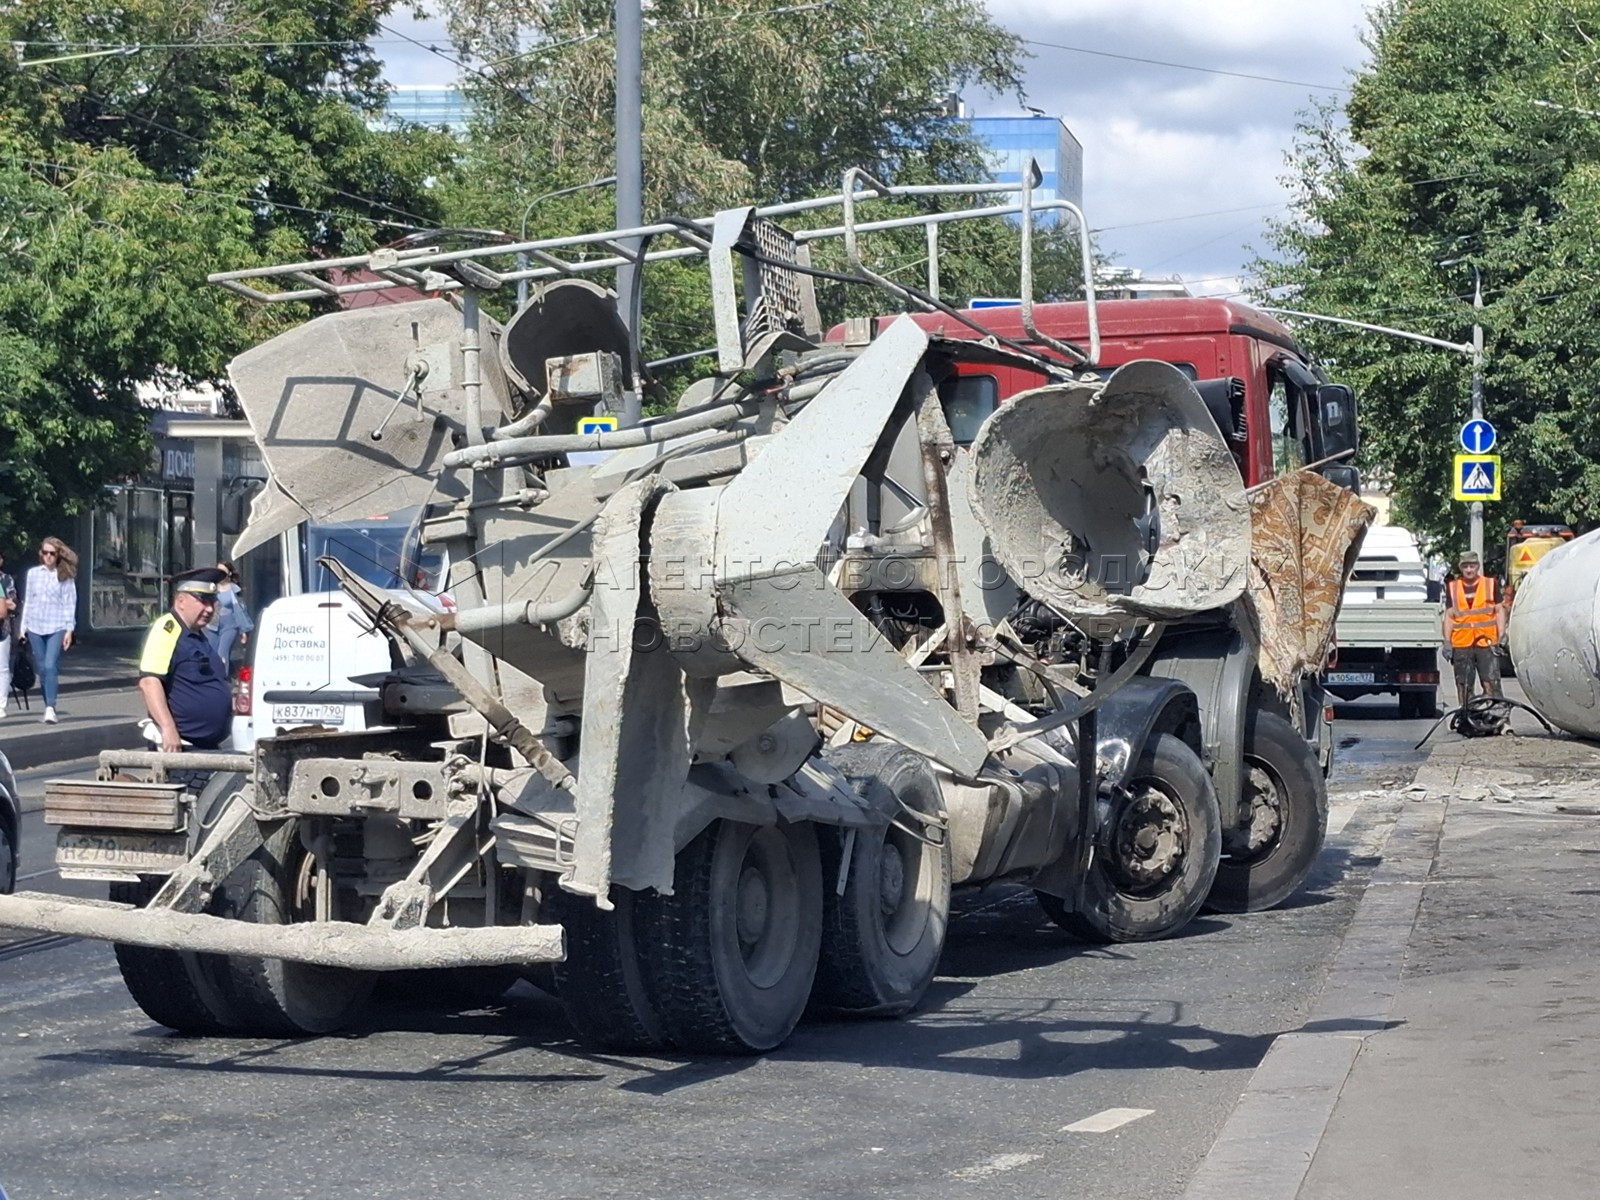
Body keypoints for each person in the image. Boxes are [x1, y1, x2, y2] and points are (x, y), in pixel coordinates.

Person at [137, 567, 234, 753]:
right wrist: (167, 727)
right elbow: (149, 682)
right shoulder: (167, 629)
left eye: (212, 602)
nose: (209, 609)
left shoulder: (197, 636)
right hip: (181, 745)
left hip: (204, 745)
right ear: (181, 601)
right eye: (203, 601)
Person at [18, 537, 78, 725]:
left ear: (58, 554)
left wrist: (69, 629)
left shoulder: (65, 576)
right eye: (45, 553)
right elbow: (28, 601)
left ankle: (51, 707)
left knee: (51, 665)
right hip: (35, 626)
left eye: (52, 553)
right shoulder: (34, 574)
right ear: (41, 554)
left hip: (56, 625)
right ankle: (47, 705)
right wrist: (22, 628)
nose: (49, 557)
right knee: (42, 668)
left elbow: (70, 603)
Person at [1443, 550, 1507, 708]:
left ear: (1478, 567)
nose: (1469, 570)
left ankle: (1499, 718)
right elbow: (1450, 616)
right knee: (1464, 685)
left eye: (1472, 566)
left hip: (1487, 643)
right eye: (1465, 567)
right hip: (1461, 643)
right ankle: (1469, 718)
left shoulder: (1490, 584)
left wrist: (1502, 635)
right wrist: (1447, 642)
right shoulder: (1453, 587)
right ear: (1461, 569)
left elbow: (1499, 611)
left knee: (1491, 682)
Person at [205, 559, 253, 666]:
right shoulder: (212, 587)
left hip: (230, 625)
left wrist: (243, 631)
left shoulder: (234, 589)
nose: (220, 574)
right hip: (213, 625)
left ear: (229, 573)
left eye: (223, 571)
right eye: (218, 571)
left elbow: (239, 609)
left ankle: (223, 678)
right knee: (212, 654)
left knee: (222, 653)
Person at [0, 550, 16, 716]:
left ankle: (1, 704)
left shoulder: (6, 580)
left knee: (2, 667)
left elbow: (12, 603)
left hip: (2, 628)